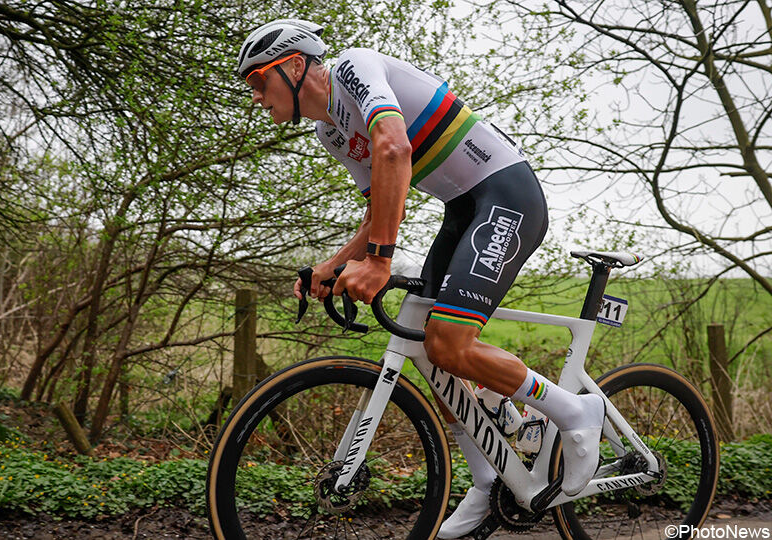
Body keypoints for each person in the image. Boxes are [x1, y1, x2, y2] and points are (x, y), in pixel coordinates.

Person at [237, 19, 605, 538]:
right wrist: (334, 265)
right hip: (464, 208)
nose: (256, 97)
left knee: (450, 343)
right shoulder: (330, 131)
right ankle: (487, 476)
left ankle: (575, 412)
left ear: (295, 66)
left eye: (258, 81)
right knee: (430, 352)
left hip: (506, 196)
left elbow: (394, 149)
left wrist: (380, 262)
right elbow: (376, 214)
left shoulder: (354, 68)